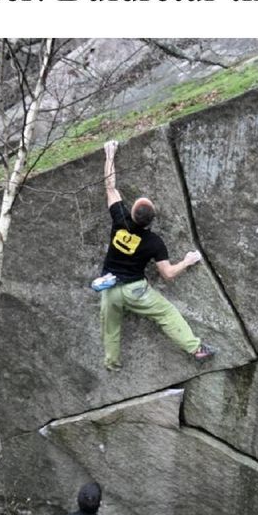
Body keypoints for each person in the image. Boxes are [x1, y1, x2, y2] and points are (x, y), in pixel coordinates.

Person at [97, 139, 216, 371]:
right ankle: (195, 348)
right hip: (135, 290)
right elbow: (168, 273)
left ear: (132, 211)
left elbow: (110, 187)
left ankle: (112, 363)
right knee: (167, 313)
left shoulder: (120, 220)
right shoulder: (154, 242)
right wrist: (188, 261)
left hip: (109, 289)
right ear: (151, 219)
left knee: (110, 329)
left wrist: (109, 154)